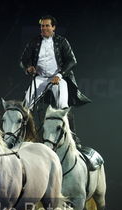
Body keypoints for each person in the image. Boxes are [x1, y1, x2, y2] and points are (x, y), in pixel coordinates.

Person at [20, 15, 91, 144]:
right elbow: (23, 60)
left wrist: (59, 75)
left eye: (47, 26)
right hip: (40, 78)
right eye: (42, 26)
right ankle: (22, 135)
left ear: (53, 27)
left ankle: (72, 136)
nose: (44, 28)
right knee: (26, 104)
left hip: (58, 78)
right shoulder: (34, 41)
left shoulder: (62, 41)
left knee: (63, 106)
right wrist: (28, 67)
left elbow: (72, 61)